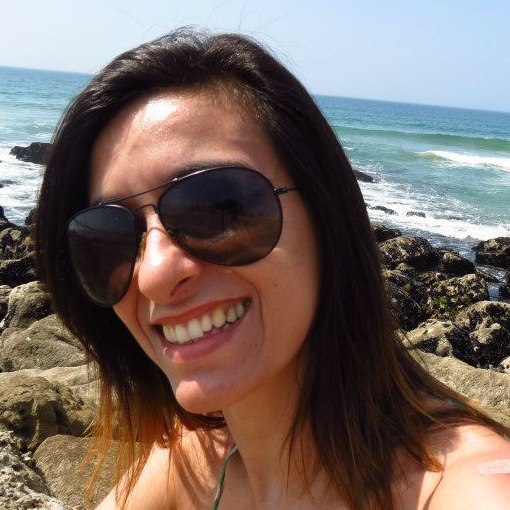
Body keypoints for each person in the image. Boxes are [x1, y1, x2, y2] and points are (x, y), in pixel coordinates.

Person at [35, 28, 510, 509]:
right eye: (108, 235)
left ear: (326, 213)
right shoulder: (193, 464)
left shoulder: (466, 489)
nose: (154, 274)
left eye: (218, 208)